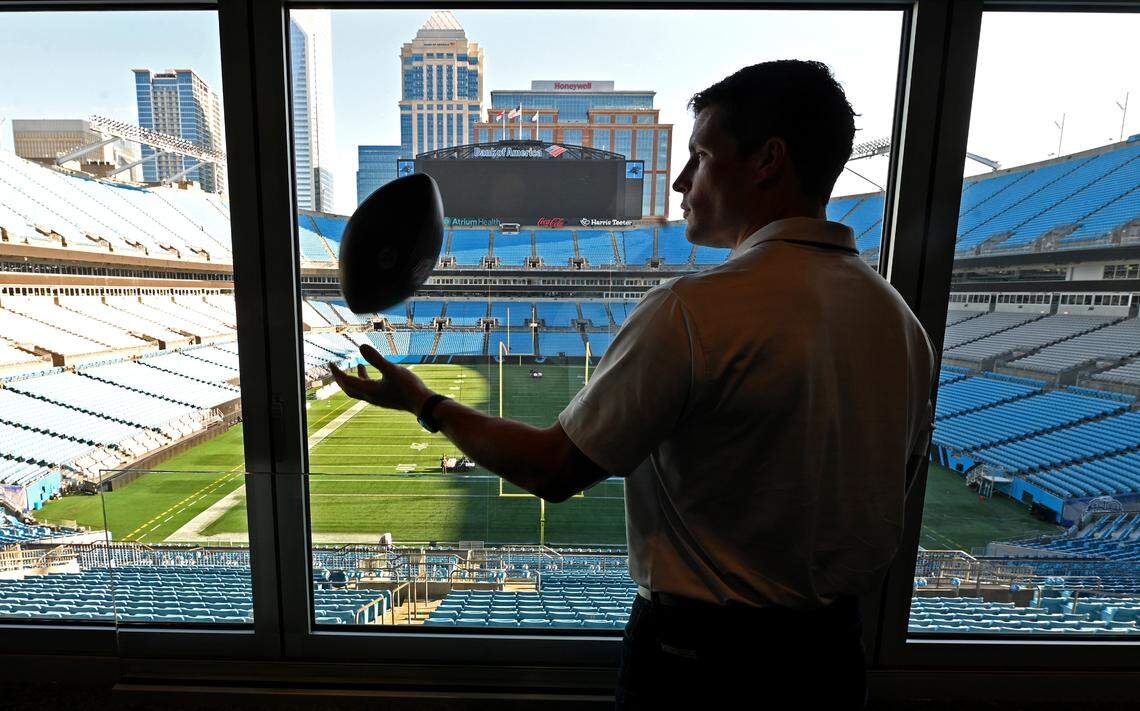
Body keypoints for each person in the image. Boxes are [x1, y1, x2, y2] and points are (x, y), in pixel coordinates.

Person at [332, 59, 934, 710]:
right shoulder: (903, 326)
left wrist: (423, 400)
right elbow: (888, 494)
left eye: (701, 156)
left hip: (702, 665)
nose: (680, 181)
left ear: (767, 161)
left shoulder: (695, 309)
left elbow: (552, 468)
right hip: (831, 662)